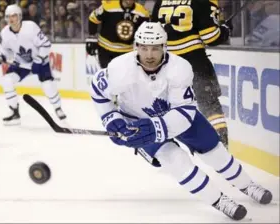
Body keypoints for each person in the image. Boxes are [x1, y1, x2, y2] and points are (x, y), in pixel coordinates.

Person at [90, 22, 272, 221]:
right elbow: (98, 91)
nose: (149, 54)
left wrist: (157, 127)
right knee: (175, 159)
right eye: (144, 48)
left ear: (164, 47)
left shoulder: (180, 68)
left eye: (155, 48)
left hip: (177, 115)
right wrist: (110, 117)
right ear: (136, 47)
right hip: (138, 121)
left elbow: (184, 111)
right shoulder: (119, 68)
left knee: (214, 150)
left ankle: (247, 185)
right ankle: (219, 200)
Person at [151, 0, 232, 148]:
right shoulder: (200, 1)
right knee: (209, 102)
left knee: (166, 103)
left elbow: (151, 31)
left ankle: (167, 143)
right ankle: (220, 145)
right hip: (194, 60)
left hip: (167, 62)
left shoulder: (161, 2)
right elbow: (211, 37)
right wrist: (225, 30)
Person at [0, 4, 66, 125]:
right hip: (21, 63)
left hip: (40, 61)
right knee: (7, 80)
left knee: (48, 85)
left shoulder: (30, 27)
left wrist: (39, 60)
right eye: (8, 16)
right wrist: (0, 57)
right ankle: (14, 112)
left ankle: (58, 108)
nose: (11, 19)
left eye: (14, 16)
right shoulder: (5, 33)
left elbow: (45, 45)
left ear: (20, 16)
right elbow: (6, 51)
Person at [86, 0, 150, 68]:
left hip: (127, 52)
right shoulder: (109, 6)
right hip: (105, 49)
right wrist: (92, 37)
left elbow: (145, 31)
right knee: (109, 75)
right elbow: (93, 19)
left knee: (124, 77)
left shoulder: (142, 12)